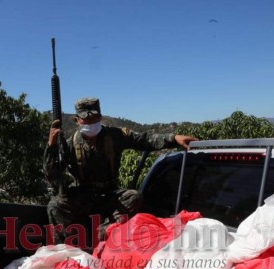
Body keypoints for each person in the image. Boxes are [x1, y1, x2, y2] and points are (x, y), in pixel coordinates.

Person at [44, 97, 197, 245]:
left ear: (101, 117)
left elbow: (144, 139)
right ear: (77, 120)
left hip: (110, 194)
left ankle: (104, 233)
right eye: (86, 119)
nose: (91, 123)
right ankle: (64, 249)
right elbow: (53, 177)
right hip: (83, 195)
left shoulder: (114, 136)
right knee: (55, 205)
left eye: (95, 119)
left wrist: (174, 138)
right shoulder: (69, 144)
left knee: (134, 197)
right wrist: (51, 147)